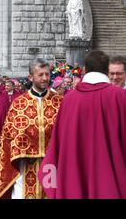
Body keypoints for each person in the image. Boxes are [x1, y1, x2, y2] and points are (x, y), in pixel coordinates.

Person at [38, 51, 126, 199]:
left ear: (84, 70)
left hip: (75, 180)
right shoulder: (120, 97)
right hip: (111, 182)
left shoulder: (69, 99)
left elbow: (58, 144)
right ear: (107, 70)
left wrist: (51, 178)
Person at [0, 59, 62, 199]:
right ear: (31, 77)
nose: (45, 78)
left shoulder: (59, 102)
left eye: (47, 74)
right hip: (24, 164)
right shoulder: (19, 103)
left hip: (52, 165)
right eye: (40, 75)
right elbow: (8, 137)